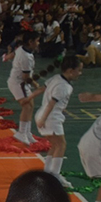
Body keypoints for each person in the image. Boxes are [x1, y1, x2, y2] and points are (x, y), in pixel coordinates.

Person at [35, 56, 84, 188]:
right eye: (78, 70)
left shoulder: (56, 78)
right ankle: (55, 175)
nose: (80, 73)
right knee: (61, 145)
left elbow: (42, 89)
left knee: (55, 145)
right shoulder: (64, 86)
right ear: (70, 70)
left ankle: (48, 172)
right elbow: (52, 103)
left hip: (46, 115)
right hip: (51, 117)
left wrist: (29, 98)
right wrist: (43, 119)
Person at [9, 32, 41, 145]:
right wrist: (35, 85)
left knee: (31, 105)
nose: (38, 43)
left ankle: (27, 132)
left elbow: (13, 54)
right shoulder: (26, 57)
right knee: (26, 106)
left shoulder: (22, 49)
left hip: (21, 83)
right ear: (30, 42)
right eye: (37, 41)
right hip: (18, 83)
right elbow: (25, 77)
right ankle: (21, 132)